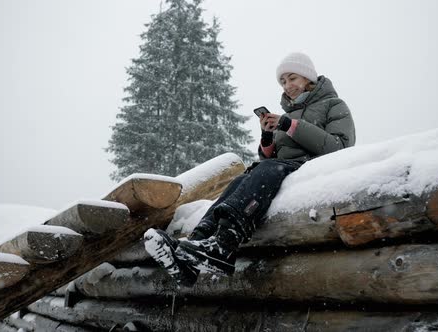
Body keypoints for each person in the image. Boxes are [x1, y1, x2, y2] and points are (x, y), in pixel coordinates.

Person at [144, 52, 356, 286]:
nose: (288, 86)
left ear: (308, 78)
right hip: (283, 166)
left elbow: (339, 146)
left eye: (292, 78)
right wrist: (267, 135)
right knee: (239, 181)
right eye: (283, 81)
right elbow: (271, 156)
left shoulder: (333, 105)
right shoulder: (288, 115)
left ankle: (225, 244)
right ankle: (192, 248)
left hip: (311, 168)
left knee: (267, 170)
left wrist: (289, 125)